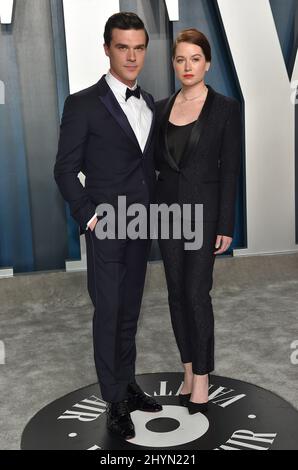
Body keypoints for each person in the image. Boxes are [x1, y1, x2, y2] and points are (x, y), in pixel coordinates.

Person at [54, 12, 162, 441]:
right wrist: (89, 215)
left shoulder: (150, 101)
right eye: (123, 47)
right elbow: (64, 170)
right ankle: (114, 400)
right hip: (107, 227)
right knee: (109, 312)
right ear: (106, 49)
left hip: (143, 225)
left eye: (138, 48)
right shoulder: (82, 103)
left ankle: (127, 382)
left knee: (130, 310)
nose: (132, 56)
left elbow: (145, 167)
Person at [155, 29, 242, 414]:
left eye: (194, 58)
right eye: (180, 59)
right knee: (174, 293)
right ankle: (188, 370)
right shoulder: (161, 108)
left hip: (205, 217)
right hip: (167, 215)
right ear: (174, 64)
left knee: (195, 293)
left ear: (207, 62)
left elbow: (230, 172)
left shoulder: (225, 108)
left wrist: (225, 224)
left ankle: (204, 377)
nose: (187, 66)